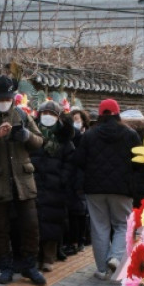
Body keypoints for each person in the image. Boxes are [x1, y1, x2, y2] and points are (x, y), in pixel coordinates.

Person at [0, 75, 46, 286]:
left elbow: (39, 141)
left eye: (8, 98)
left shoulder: (20, 114)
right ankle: (5, 266)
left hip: (23, 180)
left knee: (31, 224)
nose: (5, 101)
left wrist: (26, 136)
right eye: (1, 98)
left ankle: (29, 265)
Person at [72, 98, 142, 280]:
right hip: (122, 189)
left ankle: (101, 269)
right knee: (122, 224)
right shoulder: (130, 134)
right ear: (117, 113)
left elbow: (78, 160)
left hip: (94, 189)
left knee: (99, 227)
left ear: (100, 115)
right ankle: (116, 257)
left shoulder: (89, 135)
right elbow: (140, 163)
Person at [31, 101, 76, 272]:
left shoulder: (65, 140)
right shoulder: (33, 135)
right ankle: (34, 256)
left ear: (58, 117)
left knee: (52, 223)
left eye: (52, 113)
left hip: (55, 188)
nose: (47, 116)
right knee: (34, 223)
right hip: (34, 185)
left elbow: (70, 164)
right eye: (45, 112)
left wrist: (61, 180)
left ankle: (49, 257)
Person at [62, 108, 91, 256]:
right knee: (74, 211)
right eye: (73, 119)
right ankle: (75, 240)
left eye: (77, 119)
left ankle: (79, 240)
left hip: (80, 177)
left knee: (79, 211)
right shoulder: (68, 137)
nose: (75, 122)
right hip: (71, 176)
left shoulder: (86, 137)